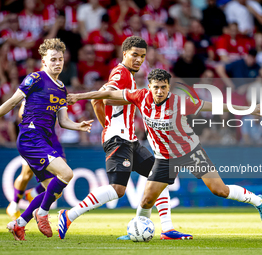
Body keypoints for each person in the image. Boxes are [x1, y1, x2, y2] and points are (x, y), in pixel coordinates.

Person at [67, 68, 262, 233]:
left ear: (168, 87)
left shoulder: (180, 102)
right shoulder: (140, 96)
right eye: (156, 87)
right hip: (165, 158)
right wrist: (79, 96)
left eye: (163, 88)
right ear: (149, 87)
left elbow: (214, 105)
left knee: (220, 190)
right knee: (147, 200)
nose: (159, 92)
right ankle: (137, 231)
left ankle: (258, 201)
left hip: (191, 152)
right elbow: (108, 94)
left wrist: (249, 109)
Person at [57, 36, 192, 241]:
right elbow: (102, 96)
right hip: (118, 139)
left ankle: (167, 229)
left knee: (160, 177)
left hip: (129, 139)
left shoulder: (127, 75)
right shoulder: (120, 73)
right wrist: (108, 126)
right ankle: (69, 215)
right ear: (124, 54)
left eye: (142, 56)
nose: (139, 60)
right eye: (134, 55)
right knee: (118, 189)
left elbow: (99, 98)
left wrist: (106, 123)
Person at [0, 38, 93, 241]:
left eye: (60, 59)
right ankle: (41, 213)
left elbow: (63, 121)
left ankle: (19, 224)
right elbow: (12, 102)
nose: (57, 63)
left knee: (54, 189)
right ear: (44, 61)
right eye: (53, 59)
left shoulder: (61, 88)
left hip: (44, 140)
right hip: (30, 138)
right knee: (66, 173)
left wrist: (78, 126)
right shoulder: (36, 78)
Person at [6, 100, 66, 220]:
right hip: (35, 138)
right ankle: (14, 204)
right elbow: (21, 114)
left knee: (63, 171)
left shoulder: (57, 91)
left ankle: (33, 194)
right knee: (26, 175)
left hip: (51, 137)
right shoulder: (35, 90)